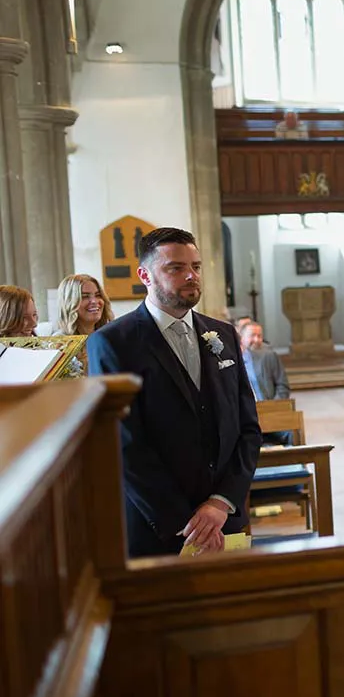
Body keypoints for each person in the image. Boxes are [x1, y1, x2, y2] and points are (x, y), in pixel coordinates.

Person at [87, 227, 262, 558]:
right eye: (175, 268)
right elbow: (122, 444)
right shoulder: (113, 342)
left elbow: (248, 428)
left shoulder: (222, 334)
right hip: (159, 527)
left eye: (195, 266)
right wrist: (186, 521)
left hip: (225, 520)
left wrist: (221, 503)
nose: (191, 276)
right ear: (145, 275)